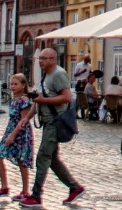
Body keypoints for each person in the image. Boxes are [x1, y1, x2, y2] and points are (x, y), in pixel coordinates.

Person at [20, 48, 85, 207]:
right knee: (53, 159)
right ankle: (75, 188)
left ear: (52, 59)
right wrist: (27, 118)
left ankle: (36, 196)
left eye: (43, 58)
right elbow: (40, 100)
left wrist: (43, 101)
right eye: (39, 58)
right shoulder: (46, 75)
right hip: (48, 122)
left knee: (43, 156)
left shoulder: (58, 74)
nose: (40, 61)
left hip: (55, 122)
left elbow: (66, 97)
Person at [0, 74, 35, 201]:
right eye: (11, 84)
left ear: (23, 85)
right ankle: (4, 187)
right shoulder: (13, 99)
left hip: (20, 133)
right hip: (10, 129)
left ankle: (25, 191)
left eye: (16, 84)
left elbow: (23, 120)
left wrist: (12, 135)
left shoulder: (24, 100)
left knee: (22, 161)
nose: (13, 87)